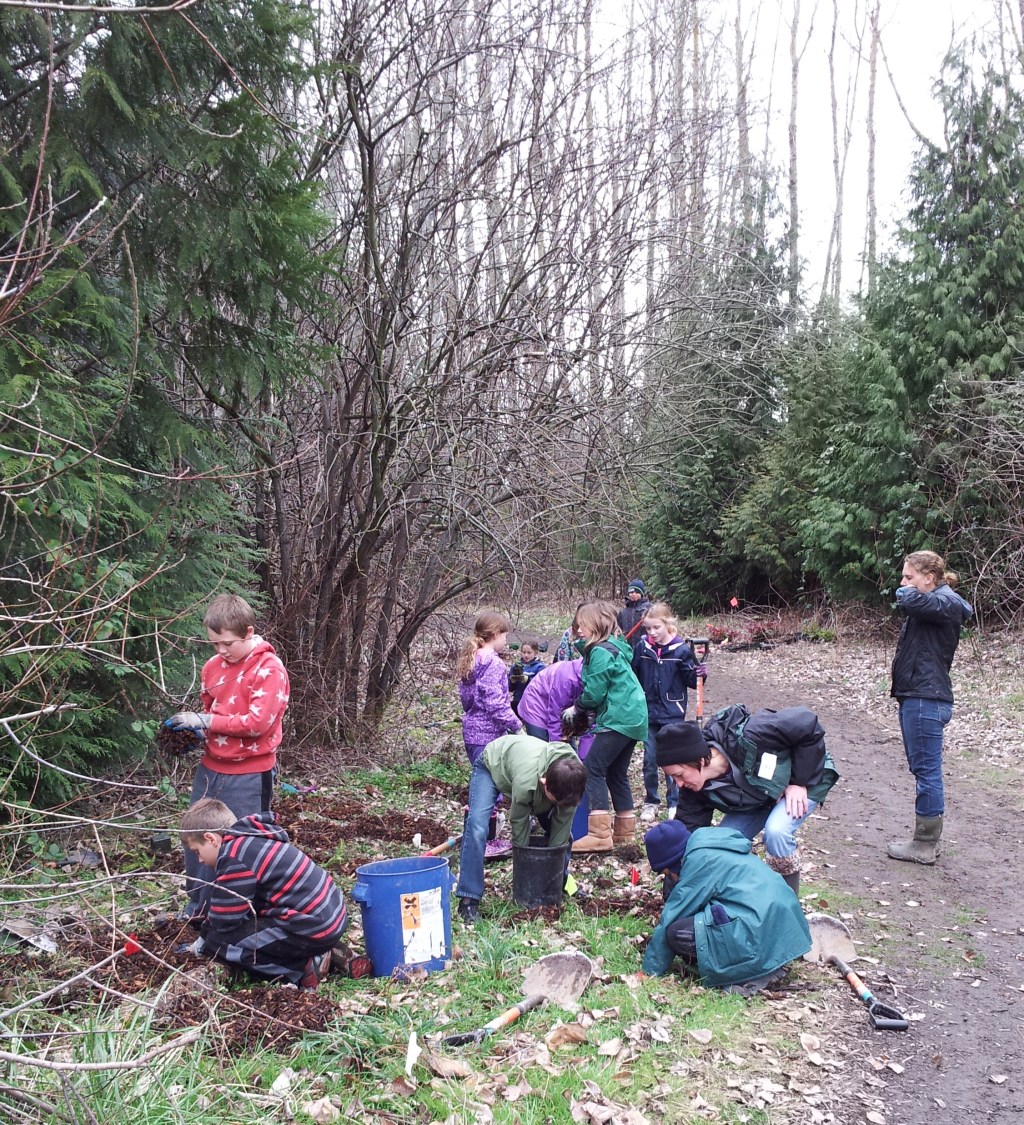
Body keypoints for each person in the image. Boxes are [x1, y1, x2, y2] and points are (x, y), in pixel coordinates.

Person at [165, 593, 290, 920]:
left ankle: (240, 913)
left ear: (248, 632)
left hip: (250, 773)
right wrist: (193, 733)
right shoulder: (212, 668)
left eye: (227, 644)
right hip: (210, 771)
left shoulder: (269, 669)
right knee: (196, 838)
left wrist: (205, 721)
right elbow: (213, 713)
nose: (220, 651)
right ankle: (198, 908)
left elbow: (256, 723)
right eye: (214, 644)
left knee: (241, 845)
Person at [179, 798, 369, 989]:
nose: (200, 860)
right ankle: (329, 950)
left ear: (211, 839)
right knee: (252, 926)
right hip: (332, 916)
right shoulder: (254, 839)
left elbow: (225, 919)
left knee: (220, 942)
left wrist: (203, 939)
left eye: (197, 852)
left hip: (312, 926)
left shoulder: (234, 855)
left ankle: (300, 968)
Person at [656, 708, 838, 896]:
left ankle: (788, 904)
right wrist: (673, 900)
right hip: (759, 799)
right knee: (722, 844)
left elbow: (808, 723)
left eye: (679, 775)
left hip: (805, 778)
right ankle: (737, 900)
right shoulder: (693, 791)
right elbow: (686, 843)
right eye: (673, 778)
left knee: (776, 831)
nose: (679, 784)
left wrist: (800, 782)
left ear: (699, 760)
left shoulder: (752, 734)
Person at [641, 819, 812, 990]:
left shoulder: (699, 861)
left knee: (678, 933)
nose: (671, 878)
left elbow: (674, 914)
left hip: (760, 927)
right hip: (782, 927)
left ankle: (751, 970)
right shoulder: (711, 843)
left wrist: (650, 971)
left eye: (667, 873)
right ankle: (767, 961)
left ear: (674, 862)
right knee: (705, 917)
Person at [888, 549, 973, 865]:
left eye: (909, 577)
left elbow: (909, 600)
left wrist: (905, 591)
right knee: (922, 768)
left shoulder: (945, 602)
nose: (903, 583)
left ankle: (924, 844)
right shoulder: (932, 604)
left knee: (927, 771)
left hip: (926, 698)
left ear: (930, 578)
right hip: (918, 696)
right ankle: (924, 839)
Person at [454, 734, 587, 924]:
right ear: (544, 783)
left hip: (530, 775)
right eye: (553, 801)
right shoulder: (527, 782)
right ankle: (469, 897)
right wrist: (526, 875)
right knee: (477, 828)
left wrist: (547, 882)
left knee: (567, 839)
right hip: (492, 764)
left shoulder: (573, 780)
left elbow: (561, 832)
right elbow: (519, 824)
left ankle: (561, 882)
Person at [563, 601, 648, 853]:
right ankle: (625, 833)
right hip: (635, 716)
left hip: (619, 716)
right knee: (616, 773)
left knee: (593, 769)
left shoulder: (600, 652)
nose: (578, 630)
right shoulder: (613, 648)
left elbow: (595, 693)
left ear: (597, 625)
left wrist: (576, 706)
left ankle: (599, 834)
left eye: (583, 625)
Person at [632, 603, 706, 823]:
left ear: (667, 624)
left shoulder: (681, 650)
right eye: (648, 629)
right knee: (650, 759)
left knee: (673, 762)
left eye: (656, 627)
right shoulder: (643, 648)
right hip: (648, 712)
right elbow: (634, 674)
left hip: (672, 713)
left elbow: (692, 682)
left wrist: (700, 673)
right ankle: (651, 801)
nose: (652, 633)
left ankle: (674, 802)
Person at [457, 611, 522, 764]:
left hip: (471, 735)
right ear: (495, 634)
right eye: (505, 636)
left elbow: (466, 700)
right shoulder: (493, 662)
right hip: (488, 737)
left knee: (481, 778)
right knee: (488, 785)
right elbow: (495, 703)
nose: (506, 642)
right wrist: (517, 727)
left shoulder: (472, 659)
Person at [516, 658, 595, 760]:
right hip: (536, 704)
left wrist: (584, 762)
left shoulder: (598, 686)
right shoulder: (567, 679)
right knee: (542, 751)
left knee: (571, 755)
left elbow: (590, 725)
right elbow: (556, 718)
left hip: (566, 709)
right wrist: (559, 755)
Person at [508, 642, 546, 716]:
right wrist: (513, 681)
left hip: (531, 703)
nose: (526, 655)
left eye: (529, 653)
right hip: (517, 700)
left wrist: (528, 680)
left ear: (535, 653)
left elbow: (541, 687)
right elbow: (510, 688)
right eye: (524, 652)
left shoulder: (539, 667)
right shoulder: (516, 665)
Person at [616, 579, 651, 644]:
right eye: (631, 592)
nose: (634, 594)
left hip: (644, 645)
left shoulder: (648, 609)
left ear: (642, 594)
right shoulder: (623, 612)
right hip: (627, 646)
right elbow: (618, 629)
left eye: (637, 592)